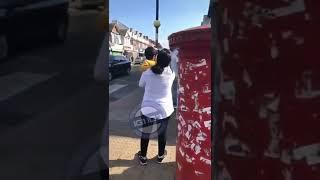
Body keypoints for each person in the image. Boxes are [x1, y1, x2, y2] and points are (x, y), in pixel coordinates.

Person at [137, 49, 175, 165]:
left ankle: (143, 157)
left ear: (156, 58)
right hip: (165, 109)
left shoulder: (147, 72)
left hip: (148, 108)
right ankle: (160, 156)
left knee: (146, 132)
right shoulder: (171, 73)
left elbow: (140, 85)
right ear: (169, 62)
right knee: (162, 133)